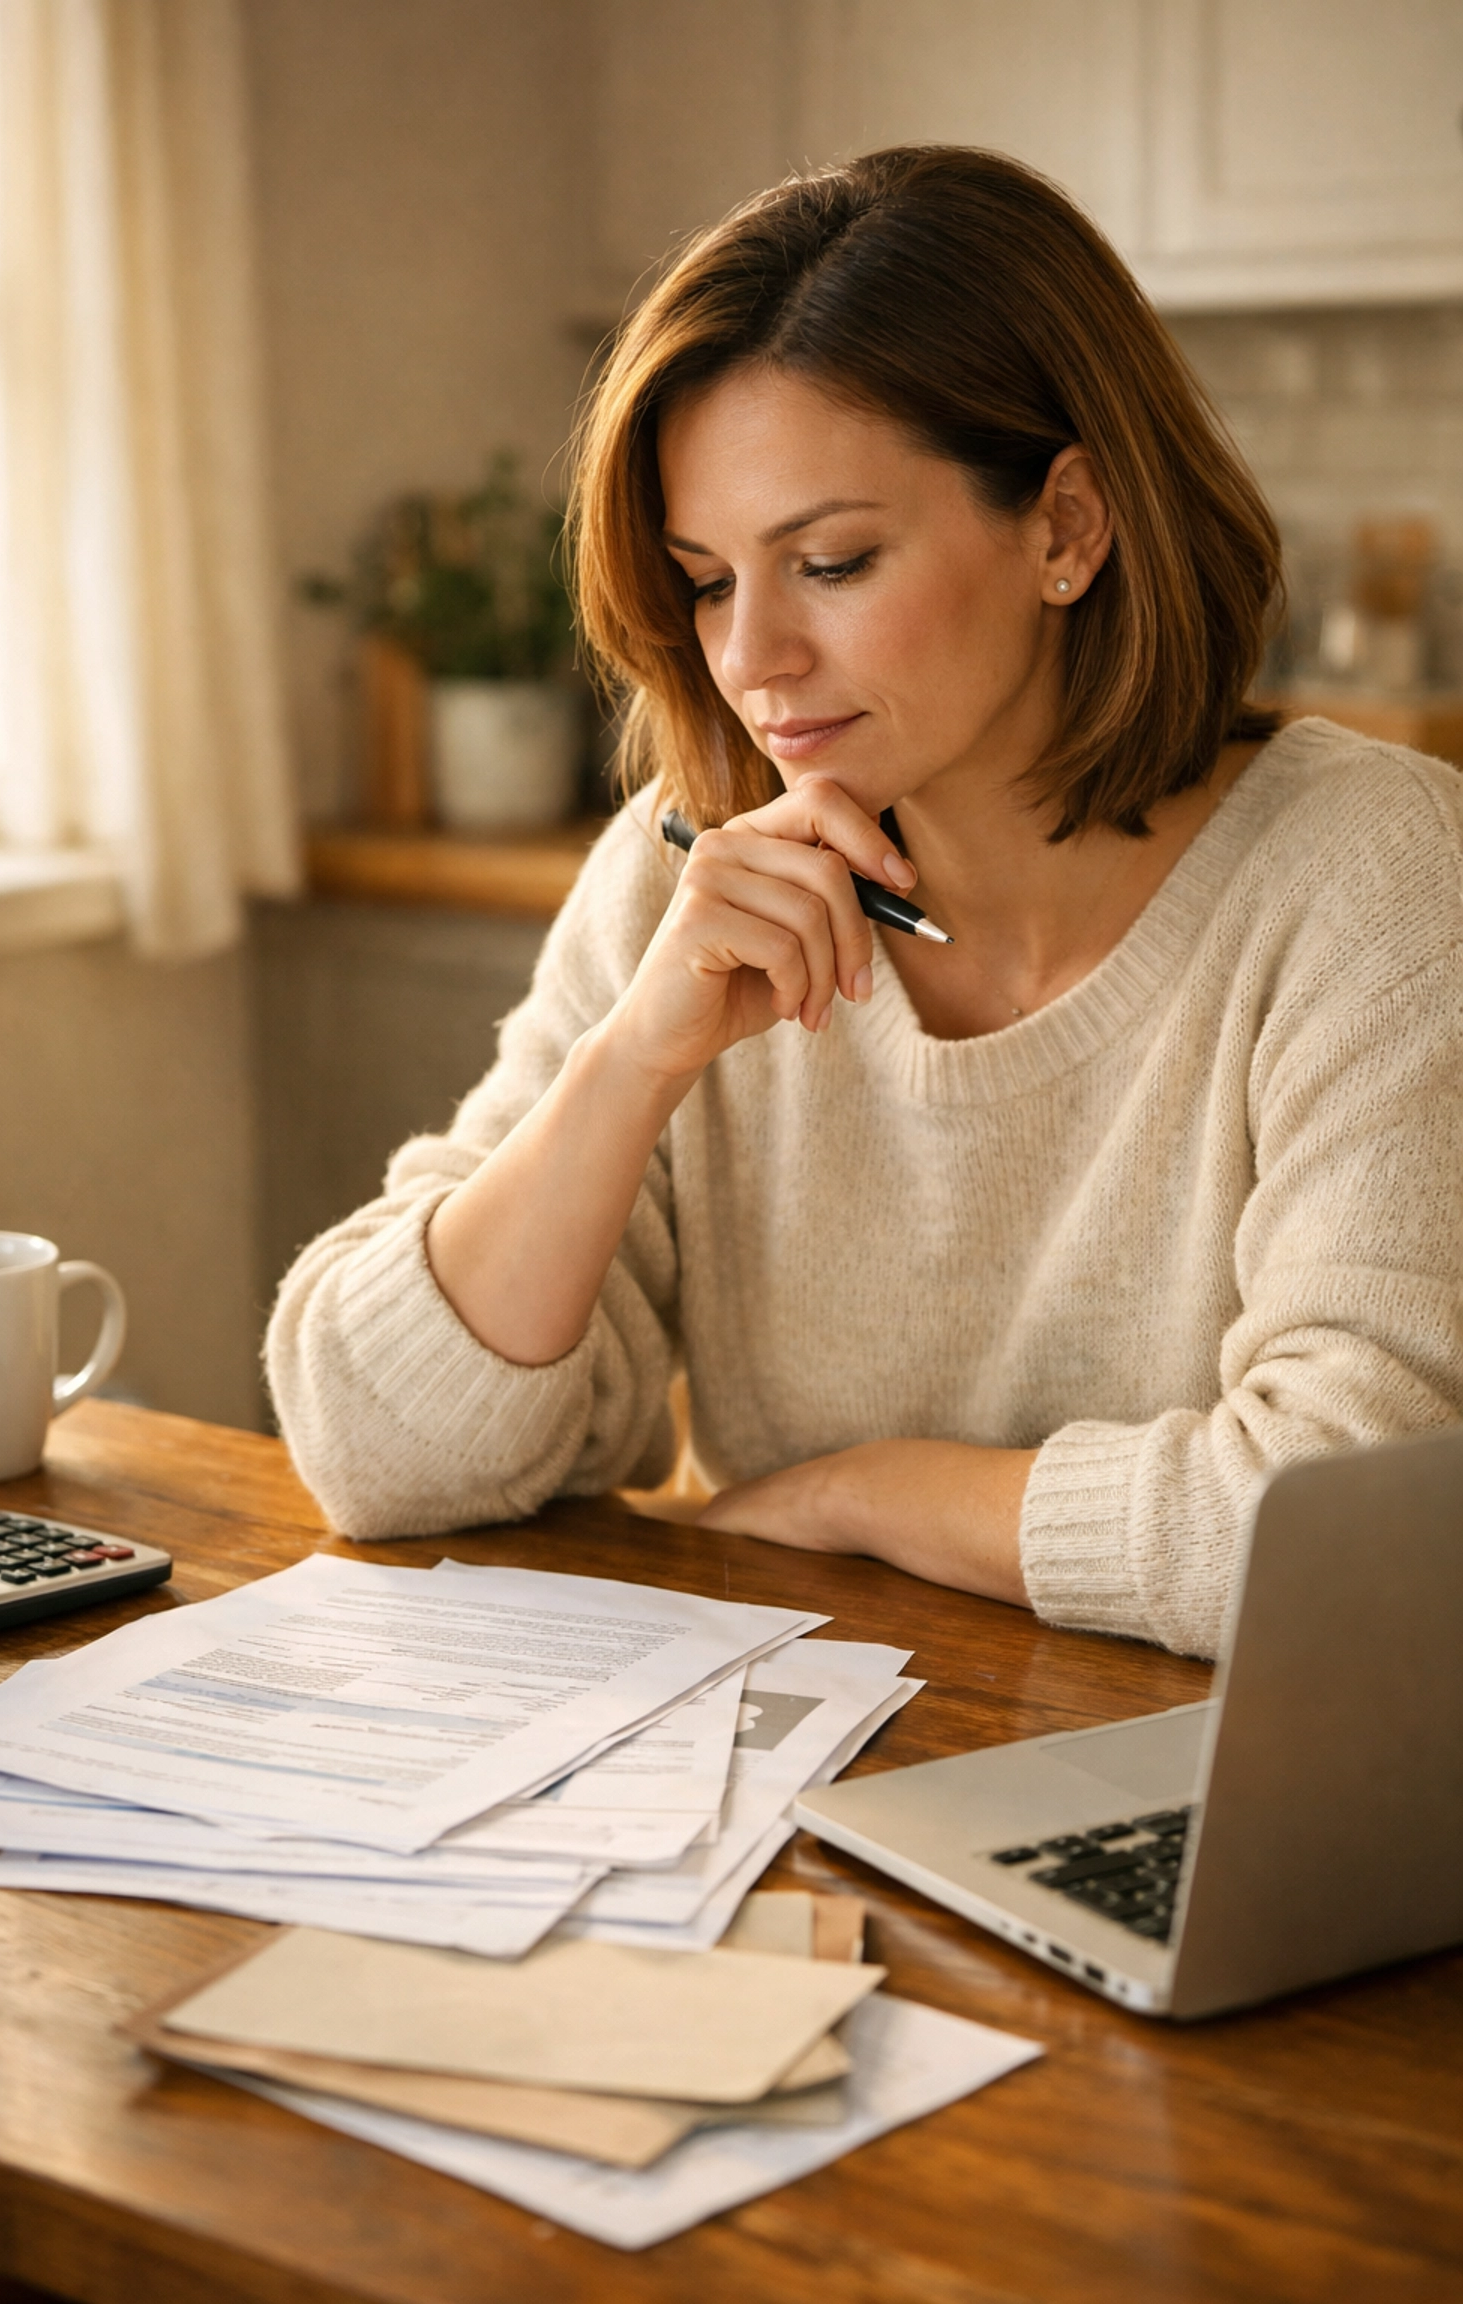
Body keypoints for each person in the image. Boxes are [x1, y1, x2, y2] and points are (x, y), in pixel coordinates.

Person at [268, 147, 1463, 1659]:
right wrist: (633, 1063)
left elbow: (1338, 1533)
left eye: (830, 561)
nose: (752, 656)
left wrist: (862, 1498)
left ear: (1067, 528)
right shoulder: (686, 869)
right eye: (706, 580)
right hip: (784, 1799)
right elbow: (375, 1454)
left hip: (1220, 1823)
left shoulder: (1370, 875)